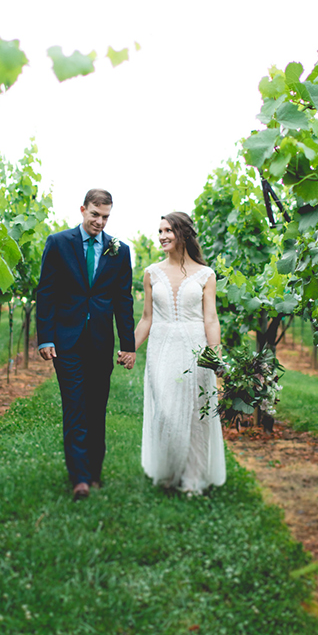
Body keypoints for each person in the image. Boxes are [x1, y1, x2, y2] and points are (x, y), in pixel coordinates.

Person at [36, 189, 136, 500]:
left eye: (105, 217)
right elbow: (46, 292)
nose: (100, 222)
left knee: (96, 408)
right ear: (83, 210)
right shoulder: (58, 243)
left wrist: (128, 344)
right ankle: (79, 477)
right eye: (95, 214)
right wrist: (45, 337)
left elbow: (123, 300)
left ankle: (94, 471)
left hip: (100, 341)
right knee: (75, 406)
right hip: (66, 341)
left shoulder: (119, 251)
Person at [134, 212, 226, 495]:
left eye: (168, 230)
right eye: (160, 231)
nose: (162, 236)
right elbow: (147, 318)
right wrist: (129, 348)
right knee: (165, 411)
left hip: (195, 348)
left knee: (197, 414)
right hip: (161, 348)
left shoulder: (205, 274)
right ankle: (168, 470)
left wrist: (216, 359)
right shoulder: (151, 272)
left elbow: (210, 319)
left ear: (183, 233)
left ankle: (193, 478)